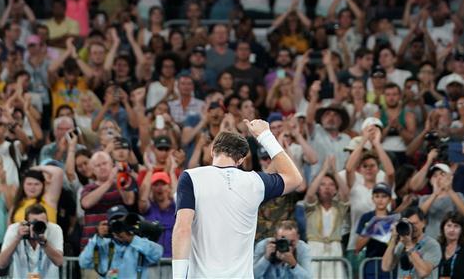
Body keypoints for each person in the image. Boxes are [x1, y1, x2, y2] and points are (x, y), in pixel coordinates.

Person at [171, 119, 303, 279]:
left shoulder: (191, 177)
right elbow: (295, 178)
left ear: (213, 150)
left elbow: (182, 229)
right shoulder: (255, 182)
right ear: (241, 160)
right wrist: (265, 136)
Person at [79, 205, 164, 278]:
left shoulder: (138, 243)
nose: (118, 226)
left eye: (121, 222)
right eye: (114, 223)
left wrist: (131, 239)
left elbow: (157, 253)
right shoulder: (102, 245)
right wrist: (97, 238)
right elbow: (83, 262)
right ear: (109, 226)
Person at [0, 203, 64, 279]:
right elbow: (1, 264)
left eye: (42, 223)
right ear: (26, 223)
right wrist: (17, 238)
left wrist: (44, 243)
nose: (38, 226)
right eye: (35, 223)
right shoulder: (14, 230)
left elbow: (59, 262)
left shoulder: (54, 230)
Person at [381, 207, 441, 279]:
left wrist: (409, 246)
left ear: (424, 223)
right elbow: (386, 267)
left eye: (414, 224)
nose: (411, 227)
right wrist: (393, 239)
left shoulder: (432, 245)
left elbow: (423, 272)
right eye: (408, 224)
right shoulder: (402, 244)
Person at [437, 211, 464, 279]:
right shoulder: (436, 248)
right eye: (449, 225)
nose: (452, 230)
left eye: (456, 226)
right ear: (443, 228)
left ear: (462, 230)